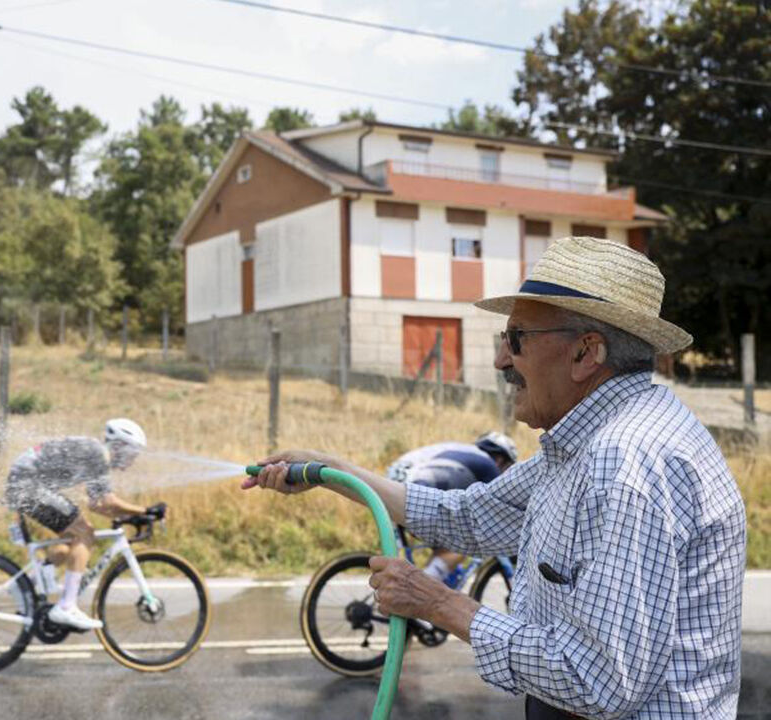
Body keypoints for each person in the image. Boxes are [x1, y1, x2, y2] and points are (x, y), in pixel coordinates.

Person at [245, 237, 744, 719]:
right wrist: (331, 470)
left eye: (517, 339)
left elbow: (596, 681)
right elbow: (470, 516)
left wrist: (438, 603)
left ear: (585, 353)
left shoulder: (623, 461)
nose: (501, 359)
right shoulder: (591, 444)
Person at [4, 418, 156, 631]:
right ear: (120, 446)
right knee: (85, 533)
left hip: (25, 483)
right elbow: (107, 502)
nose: (133, 460)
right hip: (28, 485)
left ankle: (22, 586)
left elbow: (97, 505)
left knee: (70, 544)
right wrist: (145, 511)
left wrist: (129, 516)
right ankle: (66, 607)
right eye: (133, 453)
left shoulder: (95, 453)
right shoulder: (97, 454)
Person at [386, 432, 517, 585]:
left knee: (445, 546)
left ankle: (430, 582)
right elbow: (498, 507)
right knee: (466, 538)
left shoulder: (466, 455)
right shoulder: (488, 466)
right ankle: (420, 588)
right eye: (508, 467)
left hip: (393, 485)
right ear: (501, 459)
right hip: (414, 486)